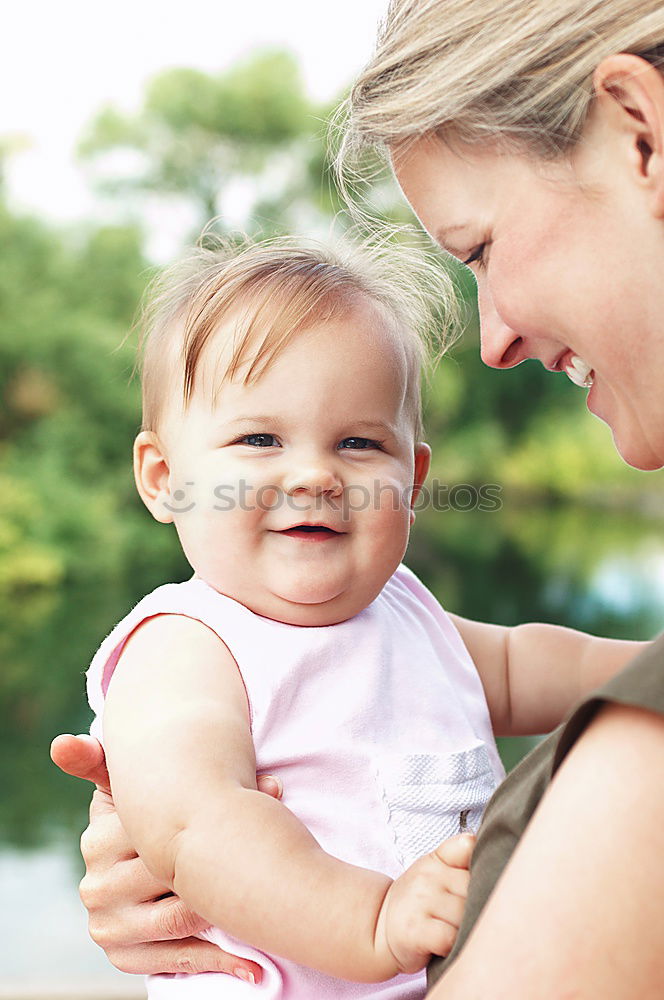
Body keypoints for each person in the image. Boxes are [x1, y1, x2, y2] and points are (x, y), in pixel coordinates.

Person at [51, 1, 664, 995]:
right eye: (256, 440)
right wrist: (367, 915)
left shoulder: (405, 619)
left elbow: (525, 661)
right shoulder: (188, 644)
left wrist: (641, 665)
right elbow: (195, 819)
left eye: (357, 443)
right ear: (163, 477)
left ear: (414, 481)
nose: (314, 475)